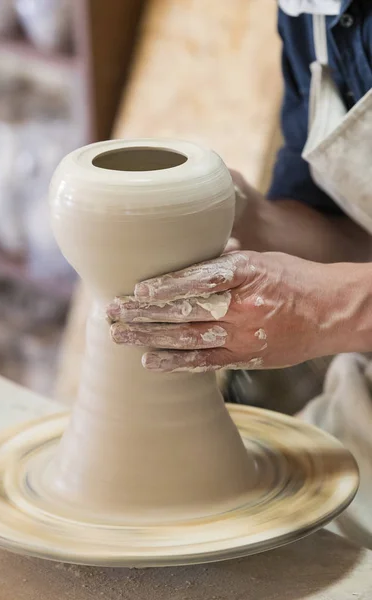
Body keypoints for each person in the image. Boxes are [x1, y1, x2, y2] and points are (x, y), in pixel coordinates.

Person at [107, 0, 372, 548]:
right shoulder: (310, 12)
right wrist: (243, 215)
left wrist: (325, 310)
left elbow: (335, 293)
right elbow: (349, 239)